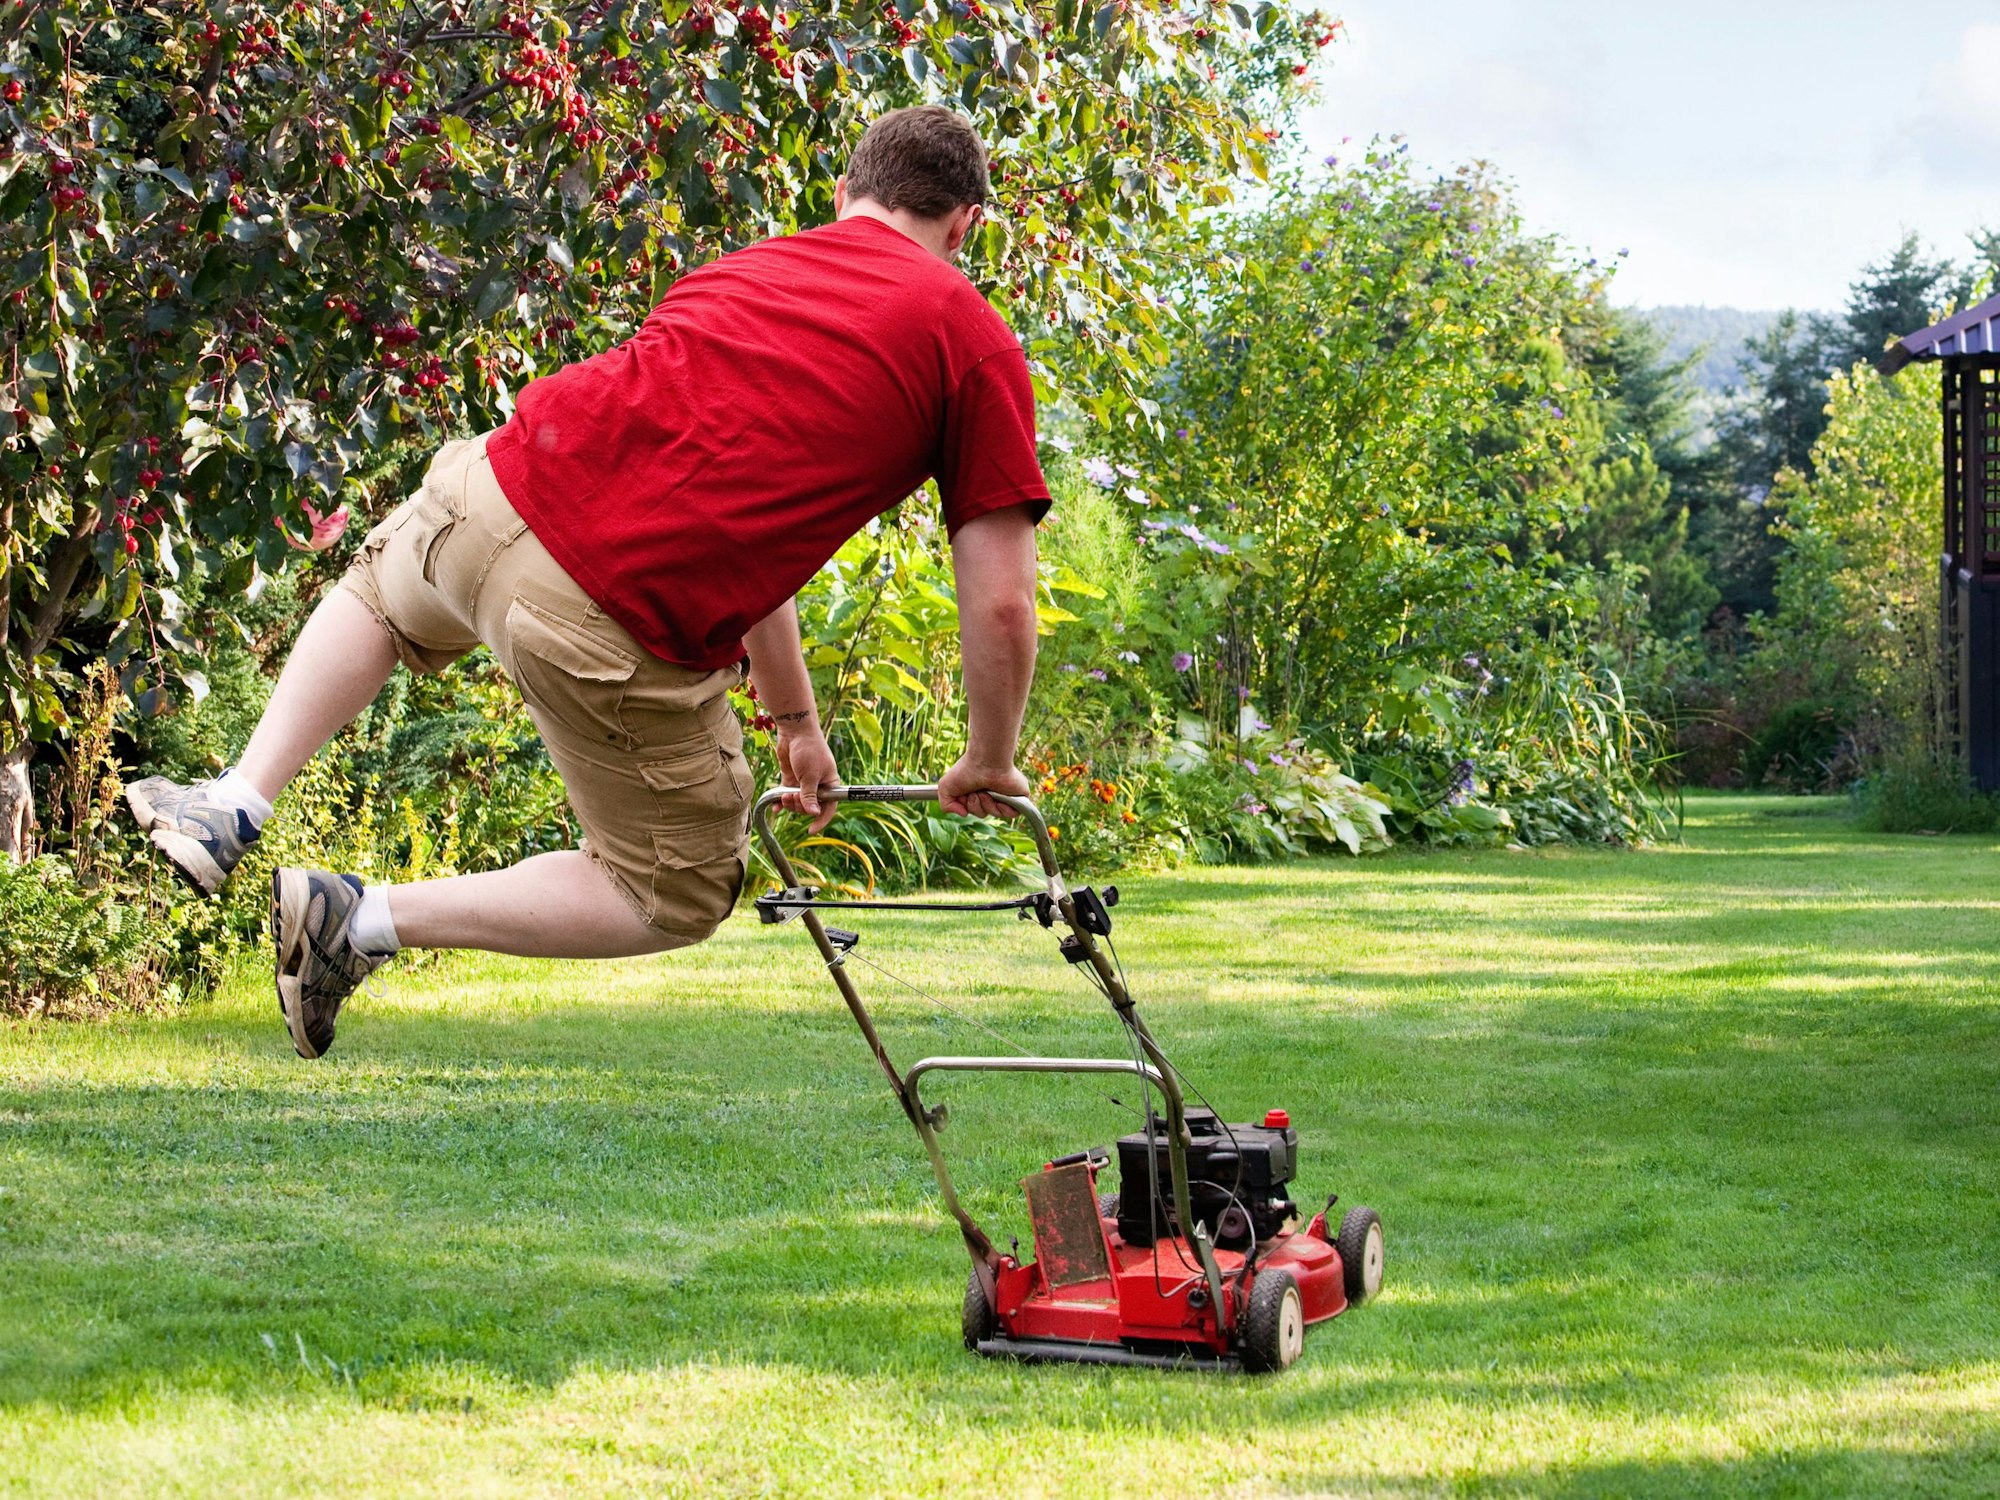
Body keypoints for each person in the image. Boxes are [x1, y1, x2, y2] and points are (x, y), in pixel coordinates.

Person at [124, 106, 1048, 1060]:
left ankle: (236, 798)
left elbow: (741, 525)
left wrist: (797, 723)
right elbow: (1002, 601)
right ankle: (358, 921)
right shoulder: (966, 338)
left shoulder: (750, 269)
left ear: (848, 196)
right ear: (965, 225)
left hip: (494, 483)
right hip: (598, 603)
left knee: (377, 593)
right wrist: (988, 758)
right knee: (676, 888)